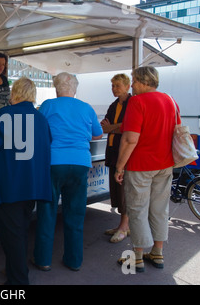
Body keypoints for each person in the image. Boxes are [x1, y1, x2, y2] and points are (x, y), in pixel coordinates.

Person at [0, 77, 52, 285]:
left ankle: (18, 281)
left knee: (11, 235)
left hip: (10, 185)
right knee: (19, 231)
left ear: (15, 93)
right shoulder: (40, 118)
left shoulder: (4, 114)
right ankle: (14, 271)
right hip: (32, 185)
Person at [33, 72, 103, 272]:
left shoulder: (48, 105)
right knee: (75, 212)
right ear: (75, 89)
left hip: (54, 163)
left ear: (56, 88)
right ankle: (74, 261)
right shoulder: (86, 107)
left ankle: (43, 260)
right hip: (80, 163)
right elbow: (97, 134)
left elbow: (37, 130)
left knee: (47, 211)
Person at [115, 66, 177, 272]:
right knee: (160, 209)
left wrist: (119, 166)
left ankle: (138, 256)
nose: (132, 85)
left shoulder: (137, 101)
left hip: (141, 165)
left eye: (133, 81)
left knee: (138, 209)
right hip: (165, 164)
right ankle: (157, 253)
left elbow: (130, 138)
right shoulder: (169, 100)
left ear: (142, 81)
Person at [100, 74, 131, 243]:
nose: (114, 89)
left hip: (124, 153)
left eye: (118, 85)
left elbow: (128, 128)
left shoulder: (132, 103)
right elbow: (104, 128)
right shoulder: (114, 105)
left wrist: (112, 127)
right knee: (116, 190)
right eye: (112, 86)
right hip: (113, 152)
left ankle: (124, 226)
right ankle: (123, 225)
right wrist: (115, 127)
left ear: (128, 86)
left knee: (124, 190)